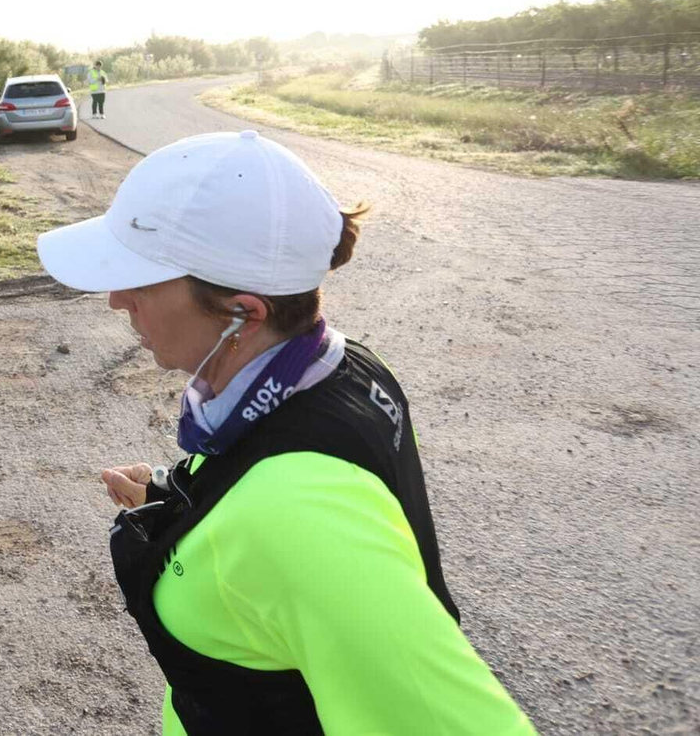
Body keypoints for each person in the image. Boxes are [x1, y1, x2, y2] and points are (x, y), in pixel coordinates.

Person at [37, 130, 534, 735]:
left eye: (140, 279)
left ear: (243, 312)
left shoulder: (295, 518)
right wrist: (179, 504)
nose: (117, 300)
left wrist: (261, 523)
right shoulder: (344, 370)